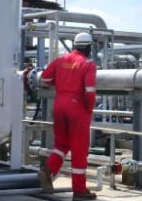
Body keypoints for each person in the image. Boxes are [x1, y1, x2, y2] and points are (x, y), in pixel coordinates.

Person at [39, 31, 98, 200]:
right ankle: (79, 191)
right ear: (88, 47)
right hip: (77, 108)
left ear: (74, 45)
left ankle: (48, 170)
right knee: (79, 149)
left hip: (59, 105)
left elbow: (45, 78)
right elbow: (90, 91)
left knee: (62, 144)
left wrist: (59, 83)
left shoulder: (60, 60)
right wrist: (89, 109)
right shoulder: (88, 64)